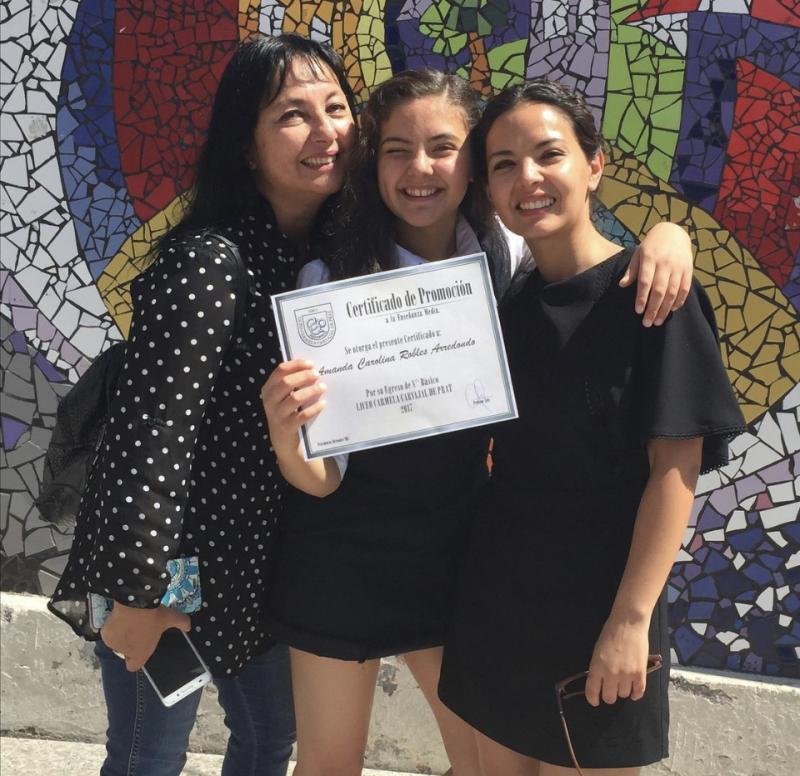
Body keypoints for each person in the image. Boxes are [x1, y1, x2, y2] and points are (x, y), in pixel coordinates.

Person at [260, 70, 697, 776]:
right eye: (397, 149)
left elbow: (587, 265)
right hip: (344, 559)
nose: (420, 169)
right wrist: (287, 433)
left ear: (472, 169)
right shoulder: (329, 285)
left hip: (454, 560)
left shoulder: (508, 262)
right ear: (373, 165)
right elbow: (320, 479)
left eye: (443, 147)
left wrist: (671, 237)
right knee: (328, 764)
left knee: (479, 763)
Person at [48, 35, 357, 776]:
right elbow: (149, 442)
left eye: (337, 106)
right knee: (148, 756)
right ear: (246, 148)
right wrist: (141, 594)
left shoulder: (322, 258)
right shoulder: (211, 262)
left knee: (268, 741)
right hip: (171, 569)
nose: (326, 132)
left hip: (254, 572)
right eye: (292, 115)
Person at [437, 80, 747, 775]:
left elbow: (676, 471)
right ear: (486, 188)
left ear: (594, 164)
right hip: (496, 606)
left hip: (604, 614)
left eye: (550, 154)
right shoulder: (508, 301)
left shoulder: (652, 296)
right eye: (504, 164)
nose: (529, 179)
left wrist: (631, 623)